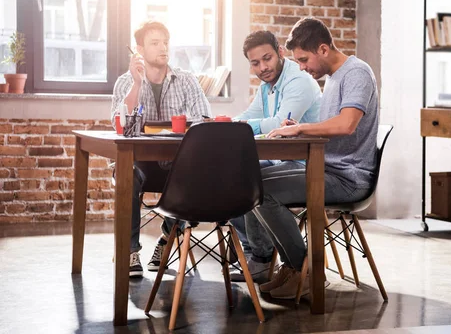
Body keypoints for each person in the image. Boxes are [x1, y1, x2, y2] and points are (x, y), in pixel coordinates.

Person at [252, 17, 379, 299]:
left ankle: (304, 269)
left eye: (304, 59)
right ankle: (293, 267)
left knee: (262, 192)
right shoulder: (333, 78)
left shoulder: (356, 73)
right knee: (251, 181)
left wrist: (300, 127)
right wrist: (295, 133)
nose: (302, 67)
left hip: (348, 178)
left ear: (323, 49)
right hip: (328, 170)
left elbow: (347, 124)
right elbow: (329, 132)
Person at [111, 21, 211, 277]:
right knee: (126, 175)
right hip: (140, 165)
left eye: (165, 42)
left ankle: (166, 240)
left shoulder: (186, 80)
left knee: (196, 172)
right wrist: (137, 83)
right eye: (154, 43)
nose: (163, 47)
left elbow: (204, 120)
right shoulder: (125, 82)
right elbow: (120, 124)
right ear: (139, 50)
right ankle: (130, 251)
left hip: (176, 165)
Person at [229, 30, 322, 283]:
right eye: (255, 63)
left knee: (252, 179)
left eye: (267, 58)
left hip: (309, 165)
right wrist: (226, 124)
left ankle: (290, 265)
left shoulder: (298, 80)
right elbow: (250, 116)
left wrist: (242, 126)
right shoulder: (266, 87)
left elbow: (279, 123)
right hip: (283, 161)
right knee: (229, 178)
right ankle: (258, 255)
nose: (263, 67)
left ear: (280, 52)